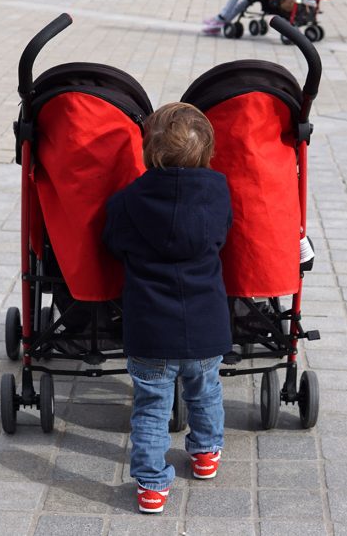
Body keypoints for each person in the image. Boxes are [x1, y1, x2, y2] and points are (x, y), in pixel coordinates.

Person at [103, 103, 232, 515]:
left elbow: (113, 242)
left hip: (150, 329)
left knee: (152, 406)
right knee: (206, 391)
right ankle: (206, 453)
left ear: (149, 151)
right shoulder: (218, 192)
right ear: (207, 150)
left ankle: (152, 485)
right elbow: (224, 237)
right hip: (206, 326)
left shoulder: (127, 201)